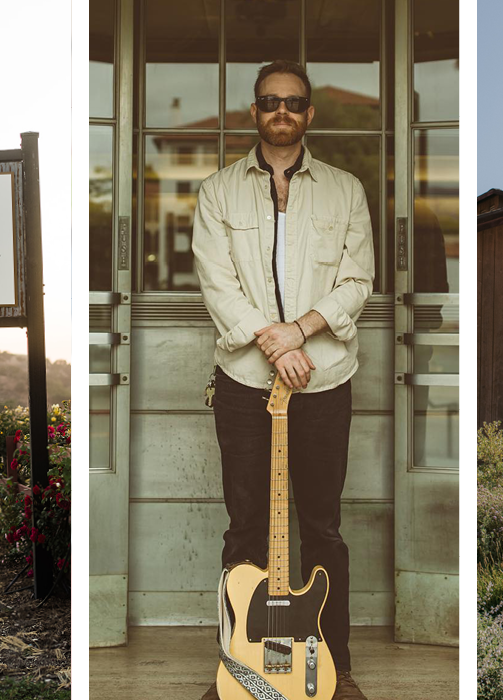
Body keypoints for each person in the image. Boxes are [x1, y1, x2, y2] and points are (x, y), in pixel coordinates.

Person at [192, 59, 374, 700]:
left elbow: (357, 282)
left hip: (322, 380)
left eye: (293, 102)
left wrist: (298, 333)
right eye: (270, 101)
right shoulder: (216, 192)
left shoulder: (346, 190)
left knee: (321, 527)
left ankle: (335, 666)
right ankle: (236, 666)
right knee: (244, 527)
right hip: (244, 382)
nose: (282, 111)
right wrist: (273, 343)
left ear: (309, 113)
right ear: (254, 110)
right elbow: (218, 284)